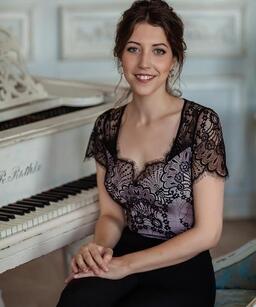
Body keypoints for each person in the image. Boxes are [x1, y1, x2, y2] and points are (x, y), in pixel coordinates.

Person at [56, 0, 229, 306]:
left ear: (174, 59)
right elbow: (111, 214)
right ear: (120, 54)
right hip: (123, 251)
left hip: (182, 265)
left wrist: (126, 266)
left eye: (159, 51)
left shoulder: (201, 123)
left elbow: (208, 233)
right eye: (133, 49)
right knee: (75, 301)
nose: (144, 63)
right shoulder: (107, 125)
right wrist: (99, 251)